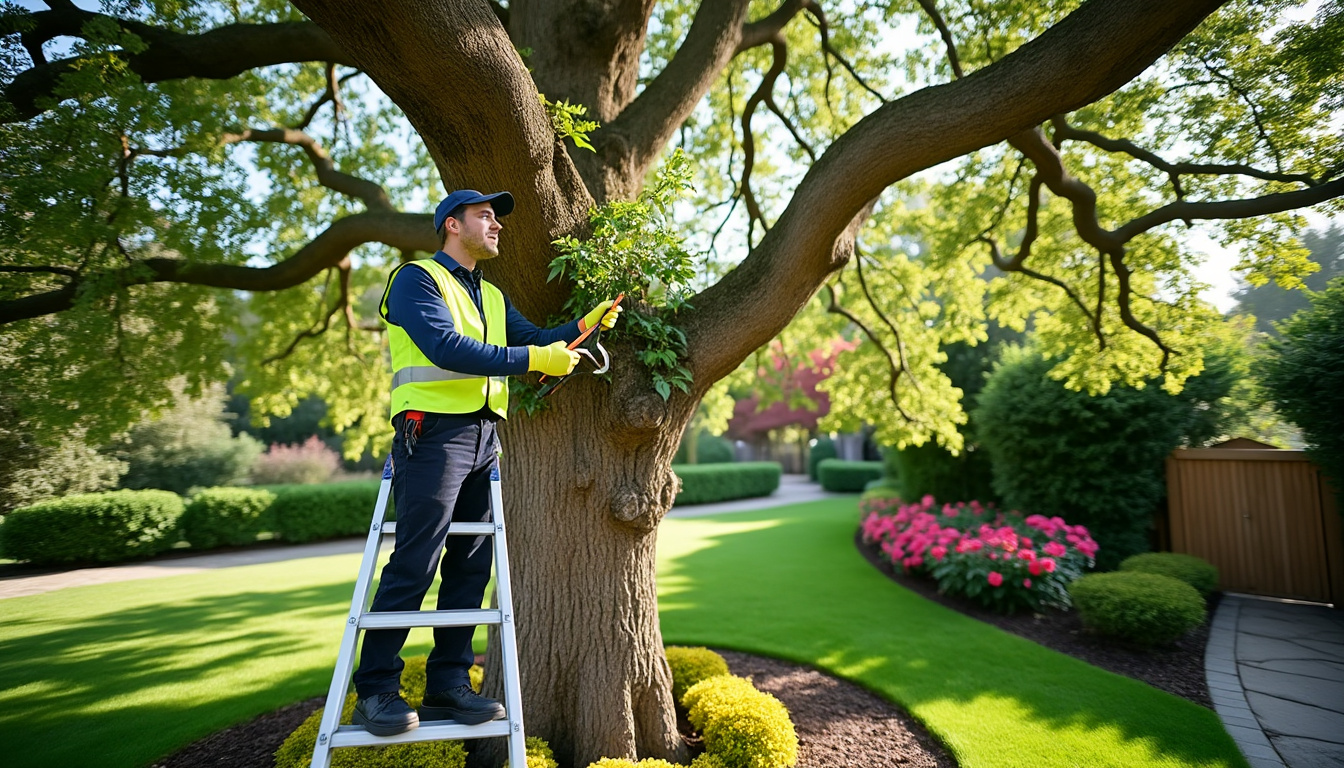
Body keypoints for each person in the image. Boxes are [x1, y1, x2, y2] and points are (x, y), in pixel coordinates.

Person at [352, 189, 621, 736]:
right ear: (452, 225)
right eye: (485, 216)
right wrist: (532, 359)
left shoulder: (492, 298)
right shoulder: (415, 279)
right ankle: (376, 689)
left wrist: (582, 327)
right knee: (415, 563)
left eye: (497, 216)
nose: (496, 224)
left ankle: (449, 683)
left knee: (470, 566)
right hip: (429, 434)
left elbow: (541, 342)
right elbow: (446, 348)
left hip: (482, 437)